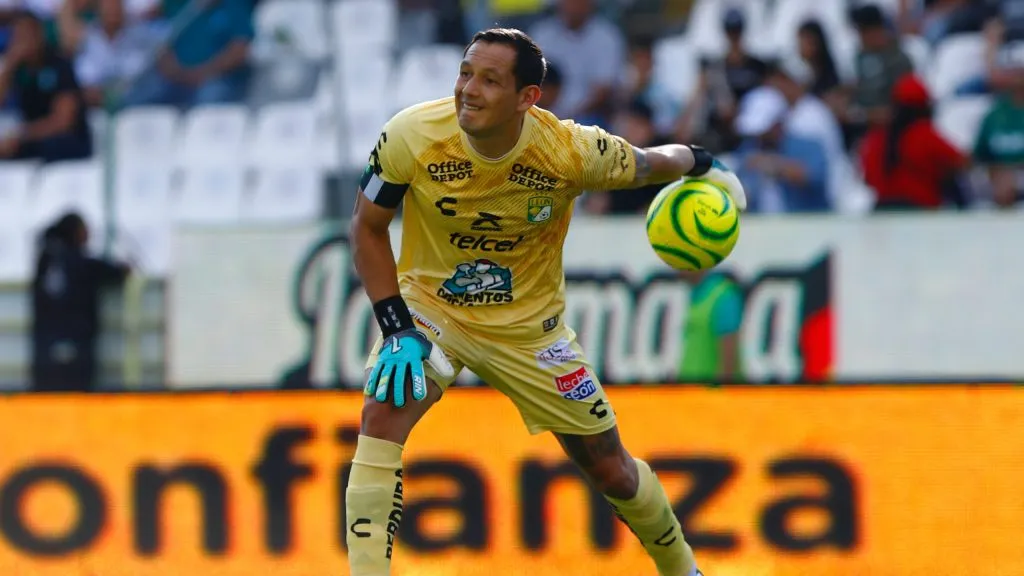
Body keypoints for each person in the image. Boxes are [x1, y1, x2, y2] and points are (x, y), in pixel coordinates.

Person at [345, 27, 746, 576]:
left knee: (611, 470)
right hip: (432, 312)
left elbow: (651, 163)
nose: (469, 90)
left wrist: (702, 162)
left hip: (533, 333)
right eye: (465, 73)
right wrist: (396, 327)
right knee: (381, 411)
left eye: (490, 80)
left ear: (527, 97)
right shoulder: (411, 135)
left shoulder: (571, 151)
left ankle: (682, 569)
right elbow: (368, 228)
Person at [31, 212, 131, 392]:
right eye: (85, 230)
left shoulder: (44, 262)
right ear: (76, 233)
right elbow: (113, 272)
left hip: (45, 349)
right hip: (79, 348)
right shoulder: (81, 263)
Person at [0, 10, 92, 163]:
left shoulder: (60, 65)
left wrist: (23, 134)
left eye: (27, 35)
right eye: (18, 37)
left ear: (39, 34)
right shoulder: (18, 69)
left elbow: (64, 121)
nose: (23, 42)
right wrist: (9, 64)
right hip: (33, 138)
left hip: (66, 142)